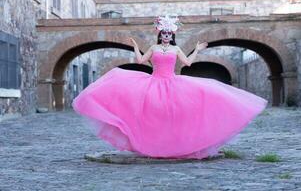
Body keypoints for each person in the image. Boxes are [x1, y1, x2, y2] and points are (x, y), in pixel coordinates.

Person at [72, 15, 268, 160]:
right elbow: (141, 60)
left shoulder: (175, 49)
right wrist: (134, 46)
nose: (166, 36)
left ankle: (179, 145)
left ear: (172, 35)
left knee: (182, 110)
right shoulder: (154, 48)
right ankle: (152, 144)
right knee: (150, 114)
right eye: (163, 33)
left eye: (168, 33)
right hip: (153, 83)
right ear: (160, 34)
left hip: (173, 83)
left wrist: (197, 50)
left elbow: (187, 63)